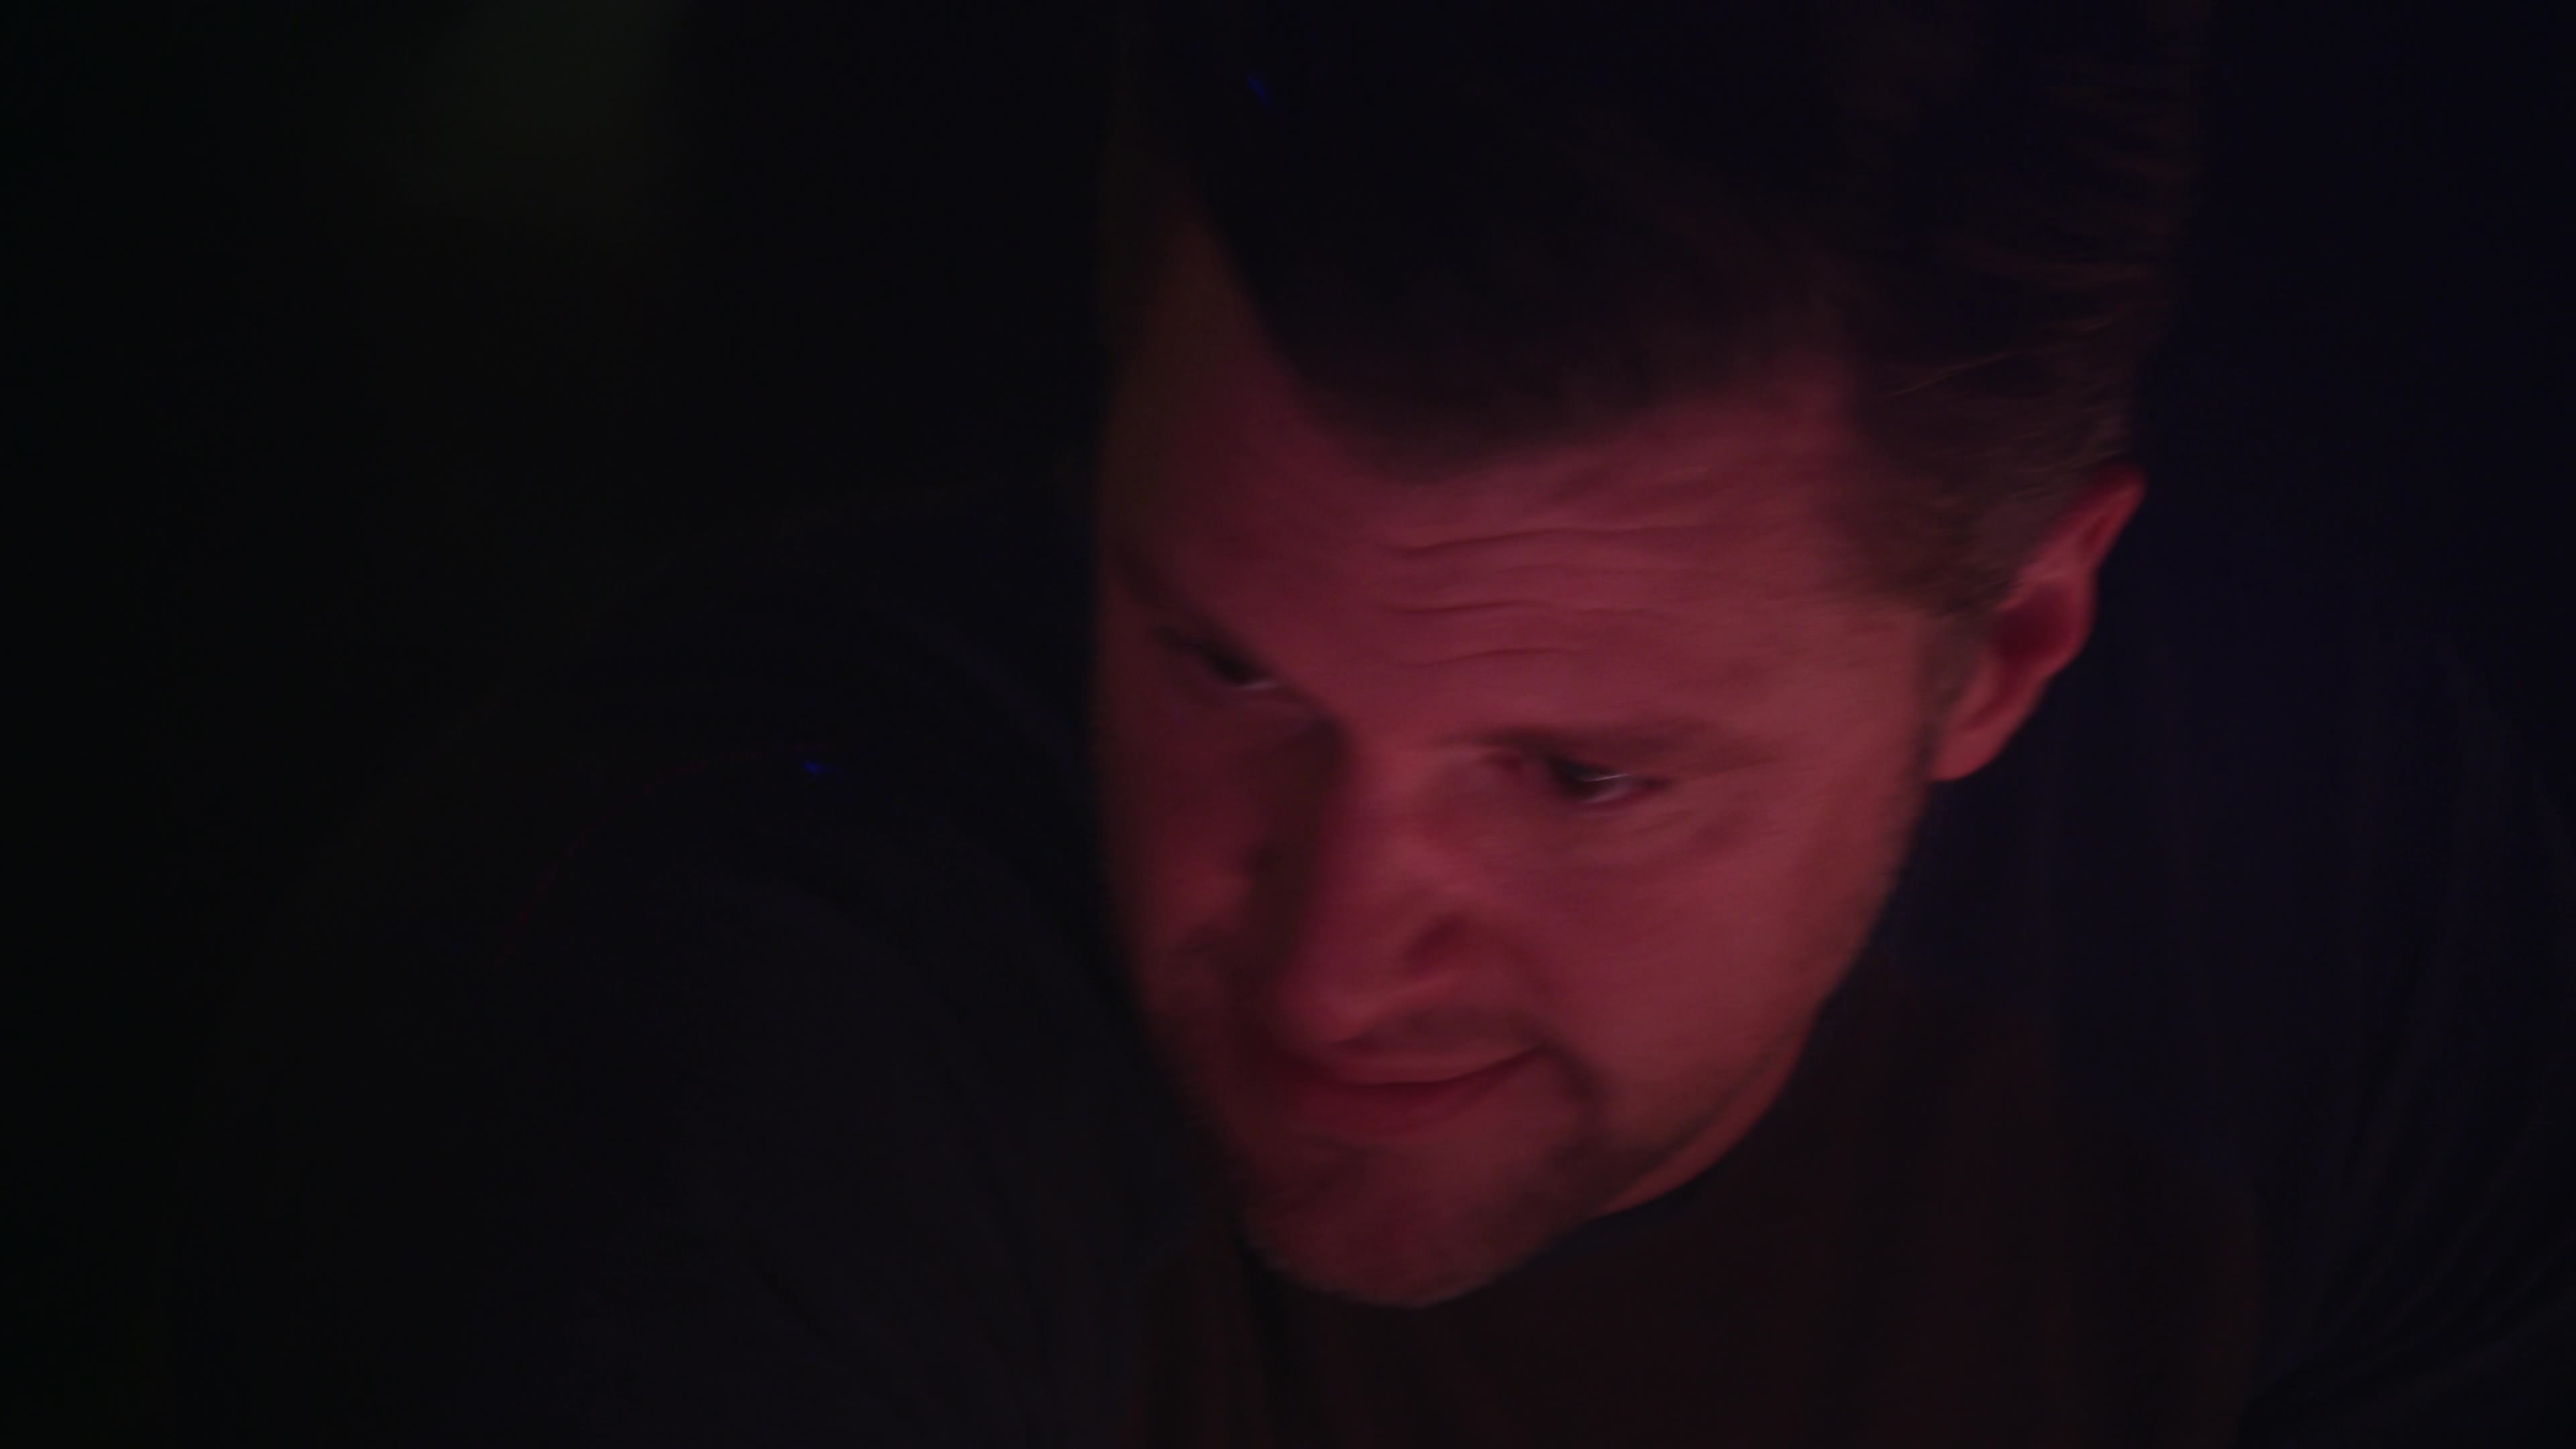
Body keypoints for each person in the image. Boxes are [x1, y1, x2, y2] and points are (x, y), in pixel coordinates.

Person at [172, 1, 2576, 1444]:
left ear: (2014, 642)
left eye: (1584, 777)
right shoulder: (701, 1047)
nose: (1330, 966)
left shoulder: (2332, 922)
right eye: (1219, 661)